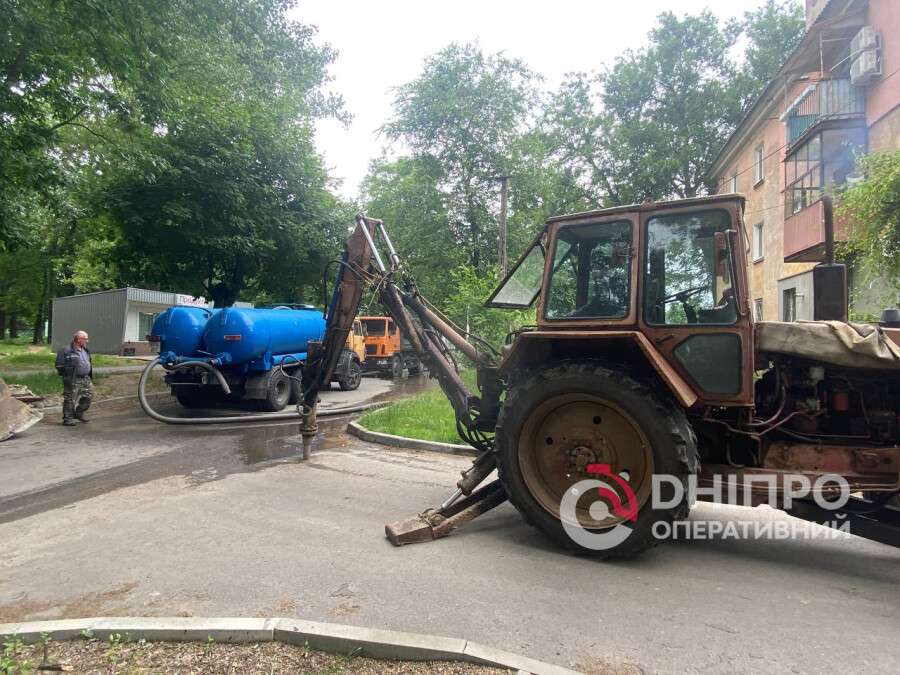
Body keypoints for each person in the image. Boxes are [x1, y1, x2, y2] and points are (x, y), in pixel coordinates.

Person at [55, 330, 94, 426]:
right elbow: (59, 365)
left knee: (89, 396)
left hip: (85, 378)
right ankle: (68, 419)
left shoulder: (85, 350)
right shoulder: (66, 350)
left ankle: (79, 413)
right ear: (79, 339)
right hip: (73, 378)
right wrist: (67, 375)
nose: (87, 341)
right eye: (85, 339)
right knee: (70, 399)